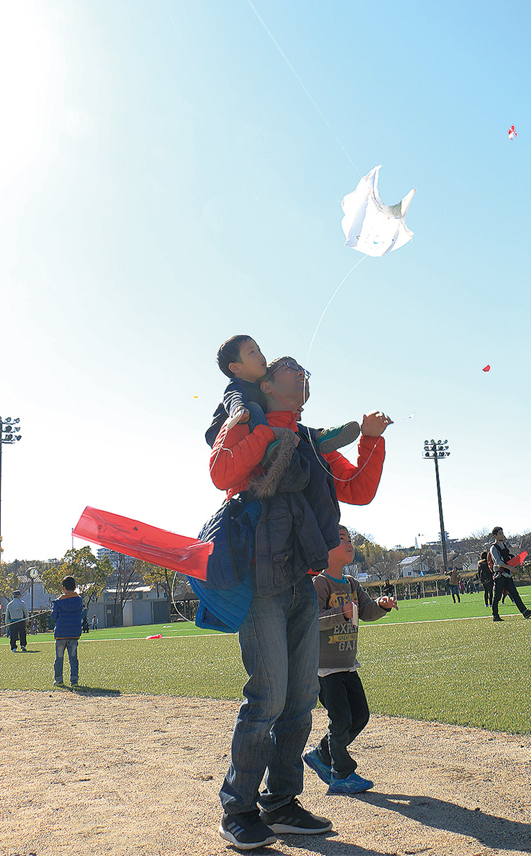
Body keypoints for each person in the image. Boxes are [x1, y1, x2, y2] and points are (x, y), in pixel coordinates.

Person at [208, 354, 392, 851]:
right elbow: (224, 473)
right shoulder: (249, 421)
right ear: (265, 384)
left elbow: (355, 490)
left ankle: (282, 802)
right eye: (290, 369)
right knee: (266, 696)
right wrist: (262, 432)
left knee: (298, 702)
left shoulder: (311, 442)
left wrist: (371, 439)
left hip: (300, 580)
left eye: (306, 372)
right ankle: (238, 809)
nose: (302, 375)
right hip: (259, 580)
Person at [304, 525, 397, 794]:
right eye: (340, 540)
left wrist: (381, 604)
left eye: (349, 540)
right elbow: (314, 619)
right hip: (325, 668)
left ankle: (321, 754)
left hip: (347, 664)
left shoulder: (352, 584)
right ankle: (342, 774)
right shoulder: (320, 583)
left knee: (360, 716)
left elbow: (365, 611)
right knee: (341, 719)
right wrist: (341, 614)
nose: (348, 544)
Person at [205, 335, 359, 456]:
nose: (260, 356)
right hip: (223, 435)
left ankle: (319, 437)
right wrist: (238, 409)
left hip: (251, 430)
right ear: (236, 368)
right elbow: (233, 398)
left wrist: (294, 409)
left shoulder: (259, 386)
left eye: (259, 350)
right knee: (254, 408)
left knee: (293, 426)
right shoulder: (237, 386)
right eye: (252, 352)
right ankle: (268, 448)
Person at [488, 527, 531, 622]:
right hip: (500, 575)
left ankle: (525, 612)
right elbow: (498, 562)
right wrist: (510, 568)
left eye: (502, 533)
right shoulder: (493, 548)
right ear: (495, 536)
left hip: (507, 575)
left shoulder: (503, 545)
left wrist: (518, 562)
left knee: (515, 594)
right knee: (497, 596)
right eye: (500, 533)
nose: (502, 535)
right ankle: (495, 615)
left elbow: (508, 558)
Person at [52, 575, 83, 687]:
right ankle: (74, 680)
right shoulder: (79, 600)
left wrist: (55, 605)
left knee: (59, 658)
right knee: (73, 658)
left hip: (61, 634)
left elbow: (54, 617)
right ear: (75, 587)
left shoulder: (58, 602)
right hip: (74, 634)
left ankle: (58, 679)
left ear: (63, 588)